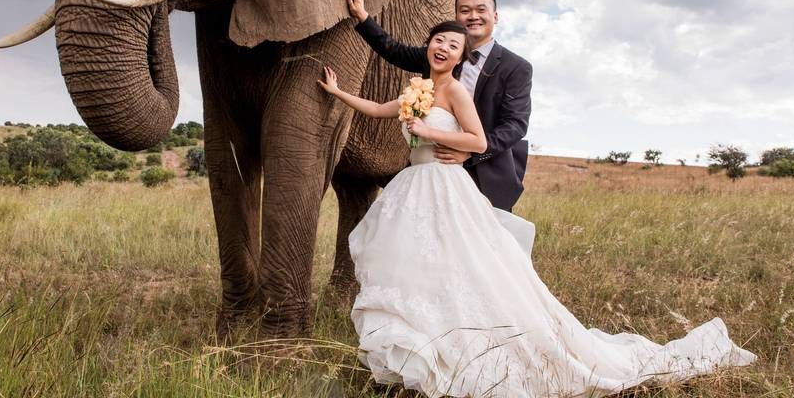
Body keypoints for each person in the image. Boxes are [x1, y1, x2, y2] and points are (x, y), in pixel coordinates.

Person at [318, 22, 756, 397]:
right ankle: (414, 350)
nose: (443, 48)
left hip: (444, 186)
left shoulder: (454, 91)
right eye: (438, 41)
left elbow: (478, 142)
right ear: (428, 46)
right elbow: (378, 109)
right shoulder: (419, 88)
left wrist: (432, 133)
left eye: (453, 45)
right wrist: (338, 92)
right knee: (411, 266)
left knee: (458, 268)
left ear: (459, 57)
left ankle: (457, 348)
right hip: (413, 185)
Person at [348, 0, 531, 212]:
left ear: (495, 16)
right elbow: (394, 50)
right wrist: (363, 17)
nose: (473, 15)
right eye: (465, 11)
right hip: (432, 169)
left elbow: (515, 124)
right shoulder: (437, 54)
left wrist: (470, 152)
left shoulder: (516, 67)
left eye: (481, 10)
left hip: (486, 170)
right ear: (457, 18)